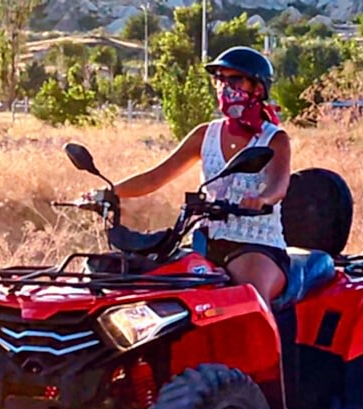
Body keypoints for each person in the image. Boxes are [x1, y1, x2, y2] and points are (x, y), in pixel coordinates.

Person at [111, 46, 291, 305]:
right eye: (220, 79)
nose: (225, 87)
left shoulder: (274, 138)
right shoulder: (205, 134)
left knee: (251, 299)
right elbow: (155, 177)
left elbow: (279, 185)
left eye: (235, 80)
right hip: (205, 241)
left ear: (258, 88)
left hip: (256, 245)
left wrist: (262, 199)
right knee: (158, 290)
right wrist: (109, 192)